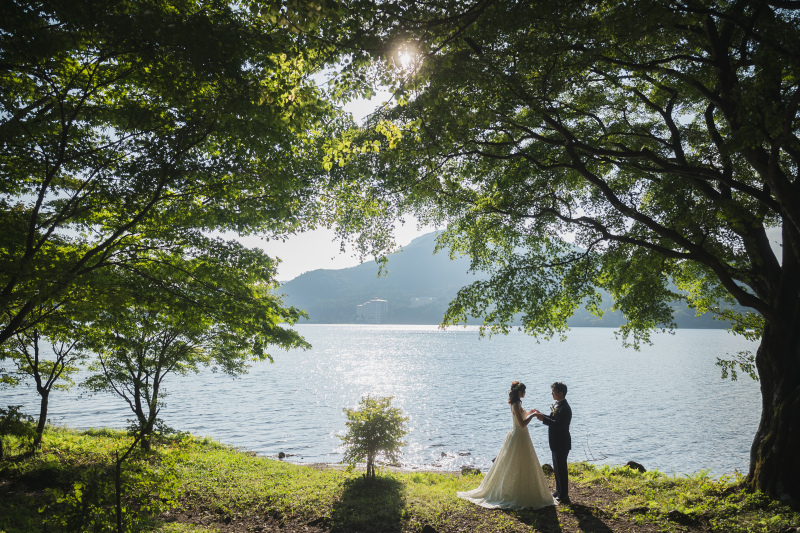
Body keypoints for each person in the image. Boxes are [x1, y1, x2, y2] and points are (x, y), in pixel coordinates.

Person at [456, 381, 555, 510]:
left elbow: (522, 416)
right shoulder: (515, 404)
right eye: (524, 391)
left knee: (524, 461)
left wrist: (529, 413)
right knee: (515, 462)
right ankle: (513, 491)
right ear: (519, 392)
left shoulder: (518, 403)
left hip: (522, 436)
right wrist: (534, 416)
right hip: (519, 435)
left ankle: (523, 489)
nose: (525, 393)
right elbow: (522, 423)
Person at [532, 382, 572, 504]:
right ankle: (558, 490)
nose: (552, 394)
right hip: (555, 442)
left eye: (554, 391)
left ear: (561, 393)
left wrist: (543, 419)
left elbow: (559, 425)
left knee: (562, 469)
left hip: (562, 442)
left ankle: (564, 495)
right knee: (557, 468)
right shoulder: (558, 405)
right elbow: (553, 419)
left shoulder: (565, 408)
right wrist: (541, 415)